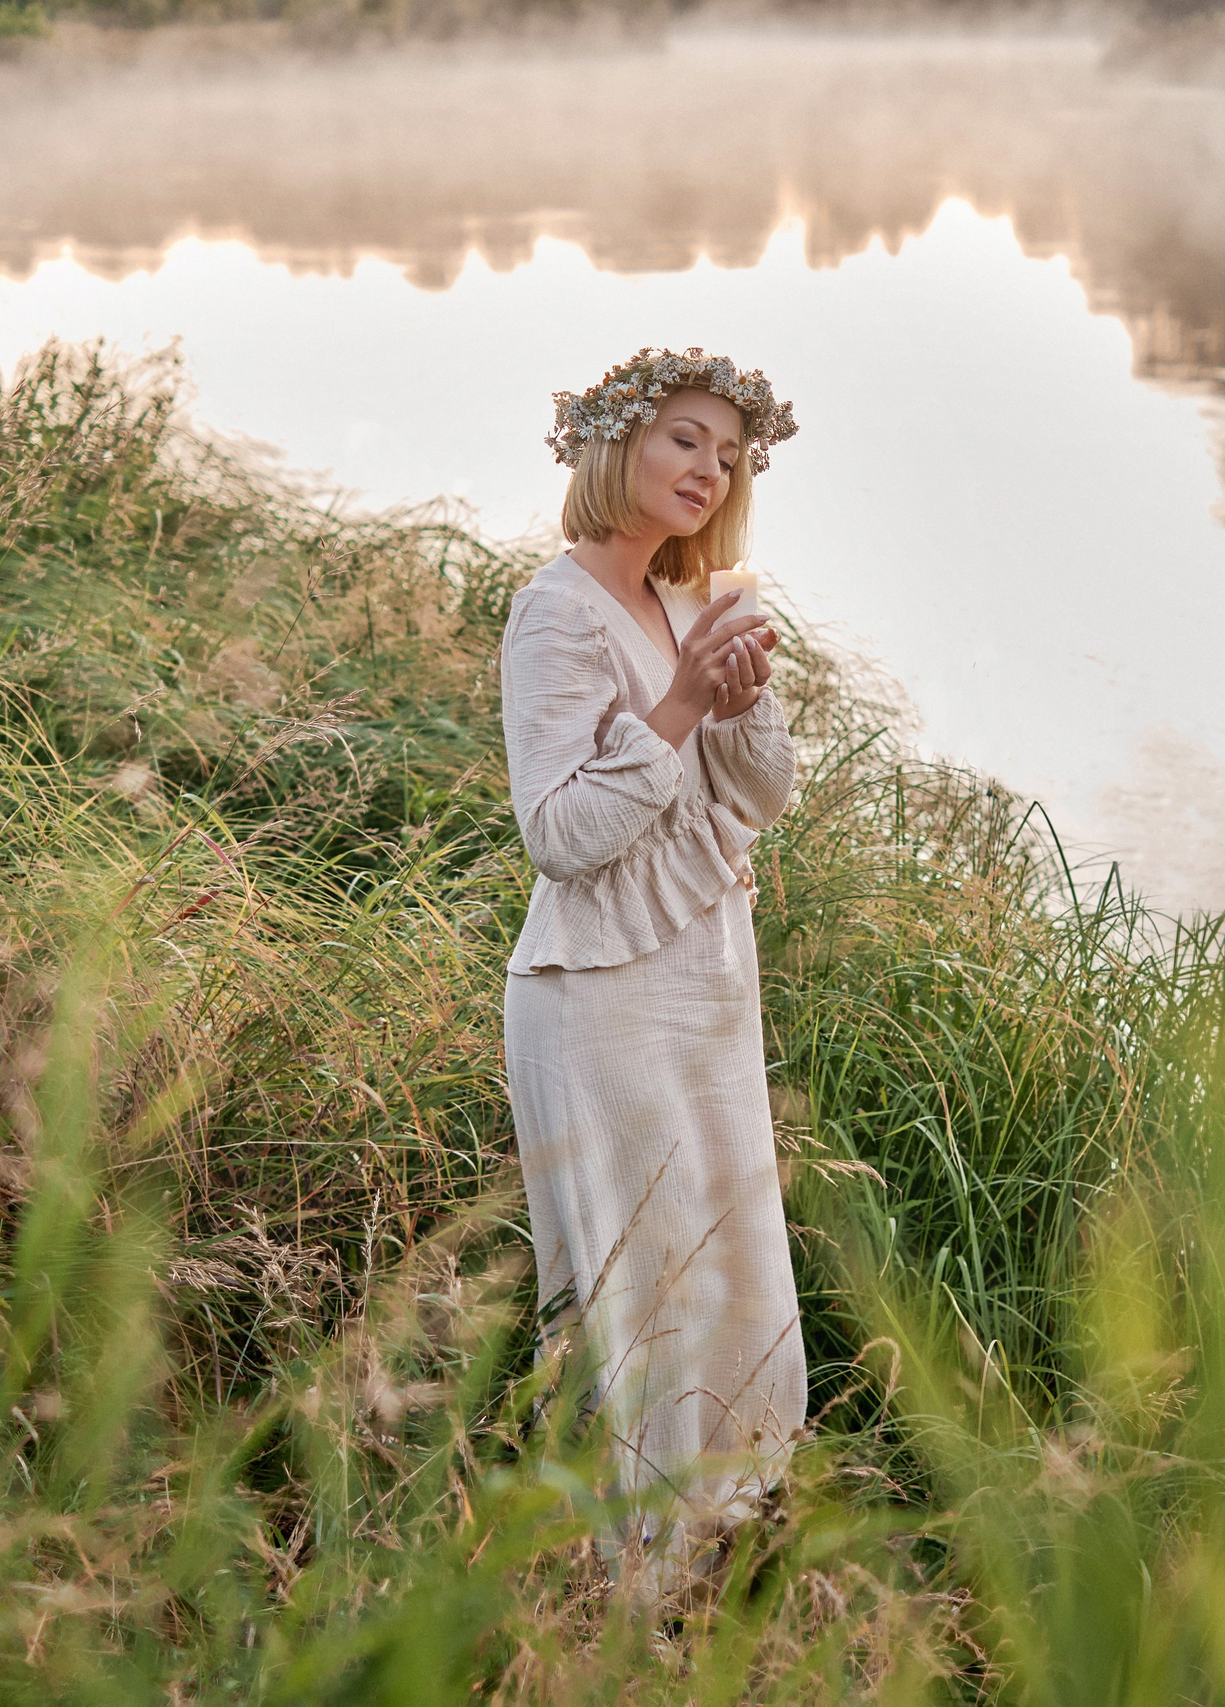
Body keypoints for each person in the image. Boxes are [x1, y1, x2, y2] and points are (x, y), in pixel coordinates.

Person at [498, 348, 805, 1575]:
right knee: (642, 1283)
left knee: (730, 1263)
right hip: (600, 994)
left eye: (728, 453)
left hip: (706, 981)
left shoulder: (692, 600)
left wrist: (740, 695)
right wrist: (675, 707)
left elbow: (761, 796)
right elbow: (561, 834)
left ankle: (719, 1543)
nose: (708, 467)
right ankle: (618, 1579)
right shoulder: (555, 608)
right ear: (614, 441)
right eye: (685, 437)